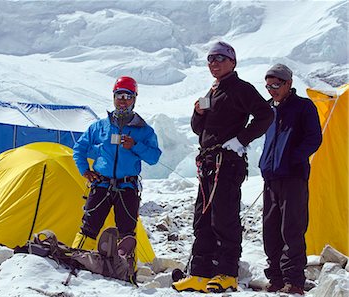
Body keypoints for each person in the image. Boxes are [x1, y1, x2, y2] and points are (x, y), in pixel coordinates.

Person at [172, 41, 273, 293]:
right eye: (210, 59)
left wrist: (240, 140)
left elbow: (266, 115)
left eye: (219, 58)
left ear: (232, 62)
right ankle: (200, 272)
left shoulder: (241, 89)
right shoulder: (212, 92)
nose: (213, 63)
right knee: (203, 218)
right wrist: (198, 113)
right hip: (208, 163)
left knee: (225, 218)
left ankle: (227, 273)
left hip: (226, 163)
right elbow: (198, 129)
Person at [71, 76, 161, 258]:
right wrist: (85, 171)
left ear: (134, 99)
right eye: (120, 96)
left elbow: (154, 158)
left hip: (127, 187)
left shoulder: (144, 131)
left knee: (127, 232)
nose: (123, 101)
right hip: (101, 184)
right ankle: (77, 258)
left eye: (128, 96)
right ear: (113, 98)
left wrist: (135, 145)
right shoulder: (99, 127)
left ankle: (127, 269)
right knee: (89, 226)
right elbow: (79, 149)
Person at [259, 64, 322, 295]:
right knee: (270, 229)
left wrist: (293, 158)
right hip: (271, 177)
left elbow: (314, 138)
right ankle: (275, 277)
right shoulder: (269, 110)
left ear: (288, 84)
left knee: (291, 229)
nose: (271, 90)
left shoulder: (303, 107)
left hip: (293, 176)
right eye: (268, 85)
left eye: (276, 85)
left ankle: (294, 281)